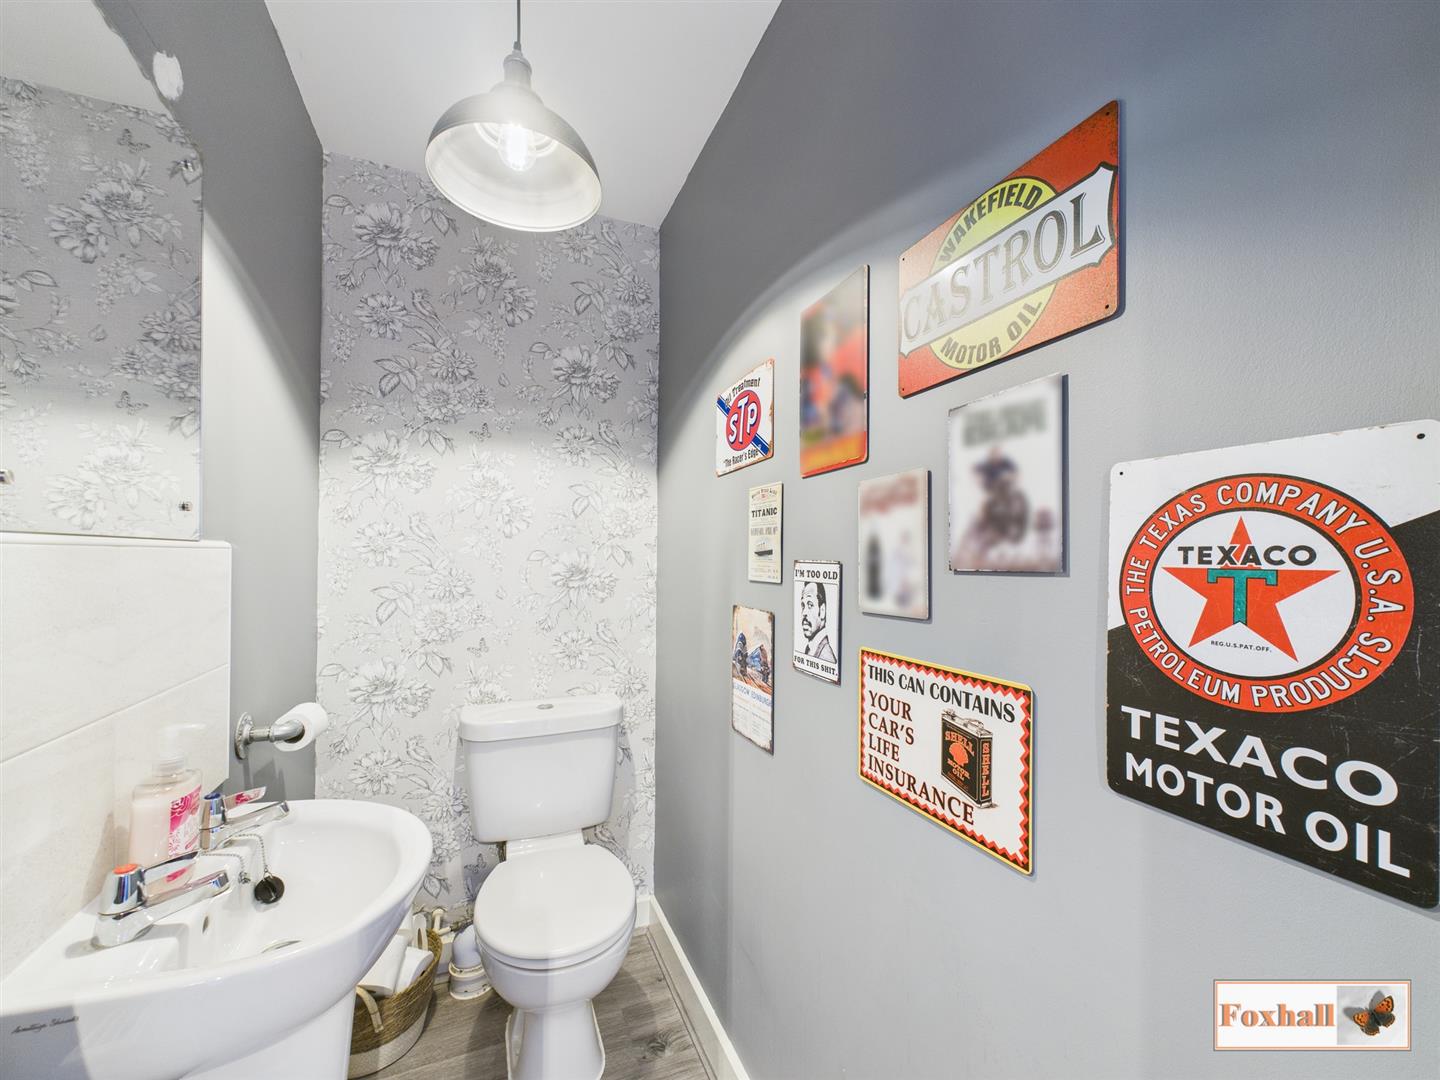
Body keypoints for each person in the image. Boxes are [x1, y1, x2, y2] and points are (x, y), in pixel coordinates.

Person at [798, 580, 836, 663]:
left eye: (810, 605)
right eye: (803, 605)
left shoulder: (826, 657)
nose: (804, 612)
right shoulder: (811, 649)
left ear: (822, 611)